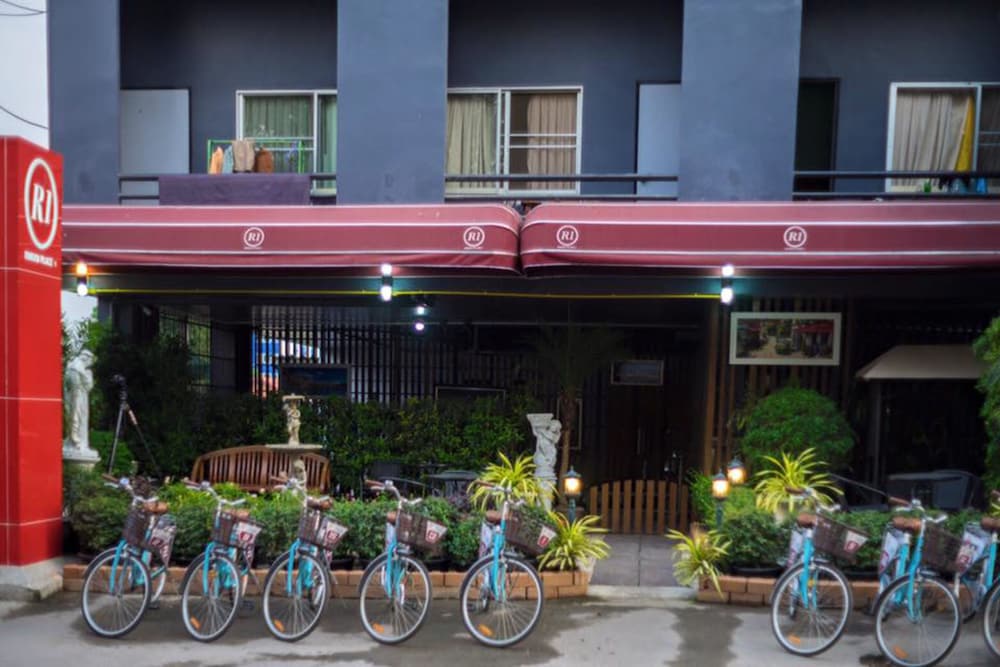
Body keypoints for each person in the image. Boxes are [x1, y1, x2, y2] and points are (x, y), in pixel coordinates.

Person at [64, 350, 96, 452]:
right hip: (78, 398)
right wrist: (87, 376)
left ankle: (76, 440)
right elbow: (81, 387)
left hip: (77, 397)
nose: (89, 365)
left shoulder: (72, 367)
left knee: (76, 417)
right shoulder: (76, 368)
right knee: (77, 416)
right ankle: (76, 440)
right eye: (89, 363)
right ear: (86, 359)